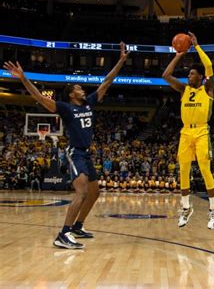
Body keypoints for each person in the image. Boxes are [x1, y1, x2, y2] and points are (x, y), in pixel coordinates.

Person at [4, 42, 130, 249]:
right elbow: (37, 97)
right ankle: (63, 234)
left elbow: (107, 81)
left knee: (95, 192)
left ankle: (78, 226)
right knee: (81, 193)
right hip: (75, 153)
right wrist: (23, 78)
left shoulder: (89, 102)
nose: (82, 89)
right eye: (79, 88)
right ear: (72, 93)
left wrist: (121, 61)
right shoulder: (64, 108)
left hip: (87, 154)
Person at [162, 32, 214, 229]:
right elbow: (165, 75)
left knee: (205, 169)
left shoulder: (208, 89)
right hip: (185, 132)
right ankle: (186, 208)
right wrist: (178, 54)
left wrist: (196, 46)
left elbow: (209, 66)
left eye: (192, 74)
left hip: (202, 131)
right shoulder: (183, 90)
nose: (189, 76)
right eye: (188, 74)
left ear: (200, 77)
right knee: (184, 171)